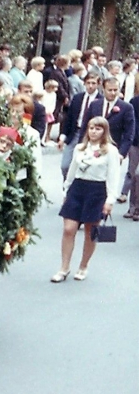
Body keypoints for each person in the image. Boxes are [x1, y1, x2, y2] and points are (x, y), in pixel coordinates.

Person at [52, 117, 119, 283]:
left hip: (97, 190)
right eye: (91, 128)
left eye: (98, 129)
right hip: (77, 188)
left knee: (90, 231)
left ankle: (83, 265)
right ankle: (64, 267)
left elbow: (113, 175)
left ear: (104, 131)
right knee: (69, 228)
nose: (93, 132)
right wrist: (66, 189)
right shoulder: (80, 148)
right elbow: (72, 170)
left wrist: (110, 199)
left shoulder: (110, 150)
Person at [80, 76, 135, 161]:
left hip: (113, 149)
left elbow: (129, 133)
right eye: (110, 90)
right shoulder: (94, 105)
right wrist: (82, 146)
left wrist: (121, 154)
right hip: (93, 148)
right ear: (103, 89)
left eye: (115, 90)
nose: (113, 93)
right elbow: (85, 126)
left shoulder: (126, 108)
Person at [59, 72, 102, 179]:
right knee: (65, 165)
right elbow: (69, 118)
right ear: (84, 83)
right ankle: (67, 187)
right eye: (88, 83)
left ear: (98, 84)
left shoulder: (101, 100)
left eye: (93, 83)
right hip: (75, 132)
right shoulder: (78, 98)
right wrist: (63, 136)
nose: (90, 86)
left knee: (82, 165)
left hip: (91, 134)